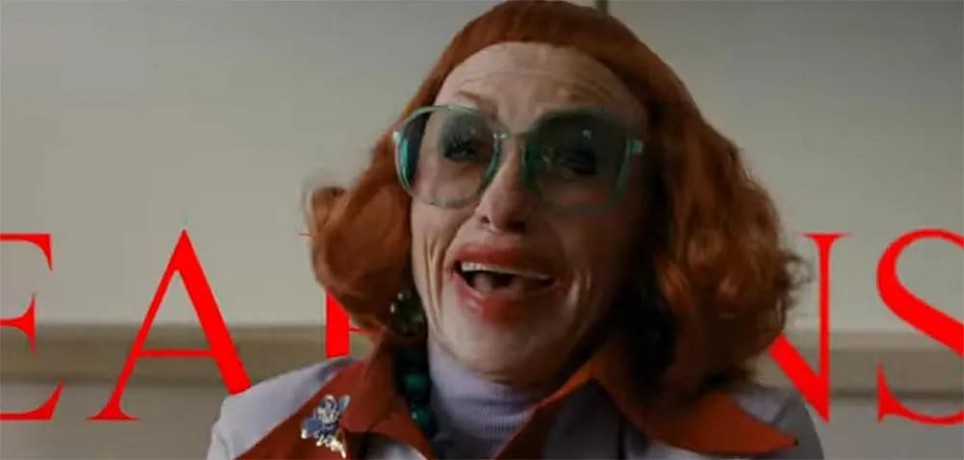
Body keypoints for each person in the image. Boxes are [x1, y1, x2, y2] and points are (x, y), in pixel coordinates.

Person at [205, 1, 824, 458]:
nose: (502, 205)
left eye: (575, 160)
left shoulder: (748, 446)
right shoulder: (264, 434)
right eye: (464, 147)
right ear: (405, 201)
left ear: (653, 225)